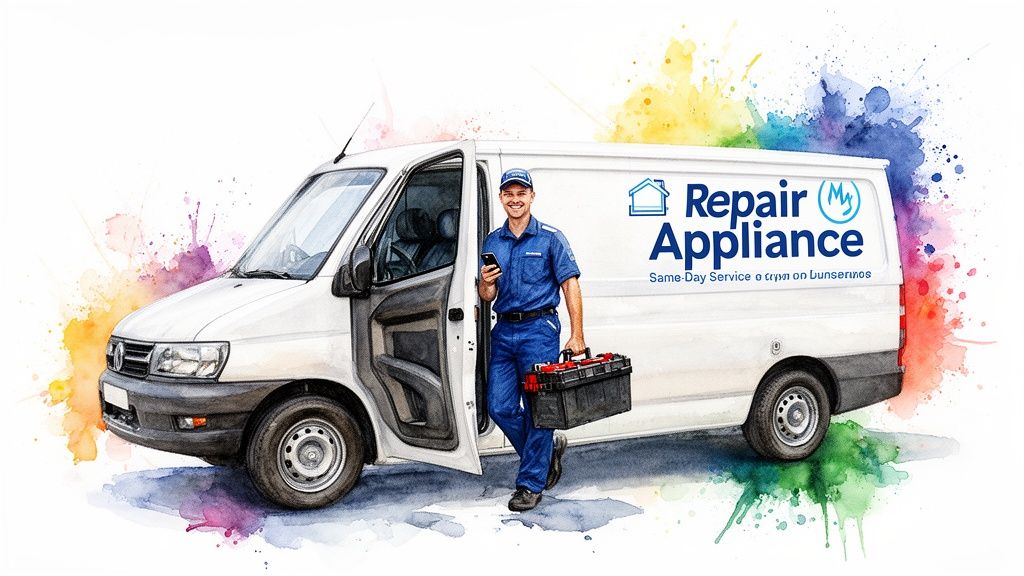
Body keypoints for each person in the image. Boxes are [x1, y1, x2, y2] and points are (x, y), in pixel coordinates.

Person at [479, 167, 586, 512]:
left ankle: (530, 483)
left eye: (521, 193)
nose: (515, 199)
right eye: (508, 193)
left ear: (531, 196)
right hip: (504, 330)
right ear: (501, 198)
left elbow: (570, 284)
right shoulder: (493, 241)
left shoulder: (551, 238)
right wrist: (485, 282)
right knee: (500, 406)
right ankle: (544, 452)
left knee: (540, 409)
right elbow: (486, 295)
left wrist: (577, 334)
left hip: (540, 330)